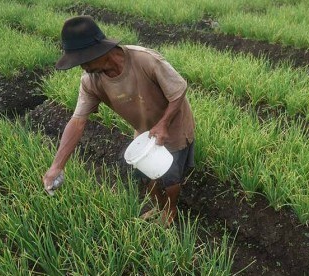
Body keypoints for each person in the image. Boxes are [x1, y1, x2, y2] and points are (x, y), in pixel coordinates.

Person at [42, 15, 195, 227]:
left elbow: (178, 90)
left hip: (174, 125)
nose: (82, 67)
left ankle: (170, 210)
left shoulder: (145, 60)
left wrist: (163, 124)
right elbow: (77, 121)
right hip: (144, 131)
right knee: (144, 174)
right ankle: (158, 206)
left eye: (82, 60)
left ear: (97, 51)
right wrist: (56, 166)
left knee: (170, 176)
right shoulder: (90, 81)